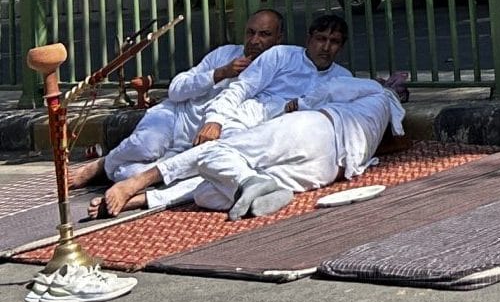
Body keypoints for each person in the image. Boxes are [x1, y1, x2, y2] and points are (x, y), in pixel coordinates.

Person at [96, 14, 356, 217]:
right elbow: (241, 89)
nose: (325, 47)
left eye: (333, 42)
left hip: (277, 138)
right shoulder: (281, 56)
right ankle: (134, 182)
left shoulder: (342, 80)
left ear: (341, 47)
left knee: (215, 180)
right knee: (210, 157)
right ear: (309, 39)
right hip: (242, 122)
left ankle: (146, 198)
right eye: (321, 39)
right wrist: (216, 120)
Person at [94, 72, 407, 220]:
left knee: (217, 152)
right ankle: (145, 199)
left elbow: (334, 87)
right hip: (329, 170)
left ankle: (133, 184)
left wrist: (299, 103)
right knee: (208, 192)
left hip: (315, 128)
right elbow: (391, 144)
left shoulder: (374, 91)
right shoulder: (392, 118)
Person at [64, 9, 287, 189]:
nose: (255, 40)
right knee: (146, 146)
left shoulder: (278, 71)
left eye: (264, 34)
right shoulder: (225, 54)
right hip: (173, 117)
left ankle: (113, 167)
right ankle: (104, 164)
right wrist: (219, 73)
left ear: (279, 39)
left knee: (135, 175)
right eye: (251, 33)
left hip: (192, 144)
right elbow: (176, 89)